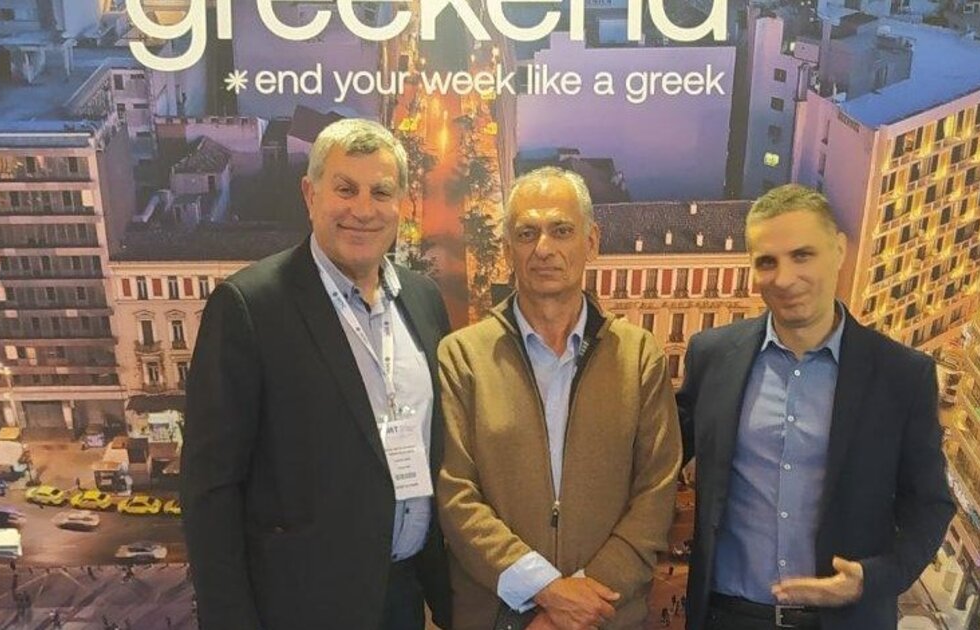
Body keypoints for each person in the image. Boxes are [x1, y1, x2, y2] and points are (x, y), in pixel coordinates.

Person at [182, 118, 452, 629]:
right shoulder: (249, 307)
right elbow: (211, 491)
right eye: (345, 190)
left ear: (401, 203)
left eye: (381, 192)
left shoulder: (423, 299)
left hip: (402, 598)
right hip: (299, 609)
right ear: (310, 194)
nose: (363, 210)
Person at [676, 184, 955, 629]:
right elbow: (654, 459)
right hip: (728, 616)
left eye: (802, 255)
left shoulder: (903, 376)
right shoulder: (711, 356)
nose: (785, 278)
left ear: (839, 250)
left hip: (846, 619)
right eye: (767, 262)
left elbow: (930, 506)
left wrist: (870, 579)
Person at [437, 167, 681, 629]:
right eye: (526, 233)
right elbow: (455, 494)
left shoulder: (639, 356)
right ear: (507, 249)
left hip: (605, 617)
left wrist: (579, 604)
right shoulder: (462, 356)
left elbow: (656, 492)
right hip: (497, 619)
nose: (543, 248)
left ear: (592, 242)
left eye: (561, 230)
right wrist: (546, 591)